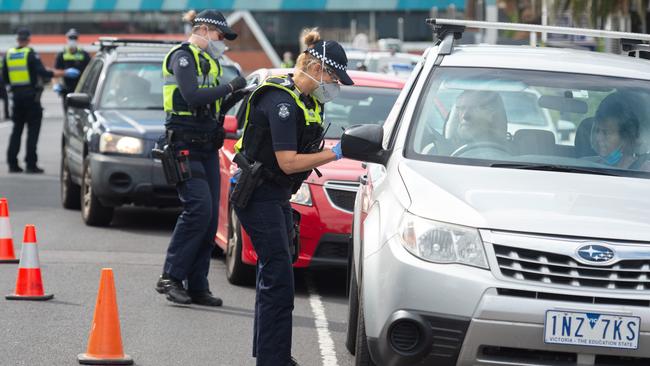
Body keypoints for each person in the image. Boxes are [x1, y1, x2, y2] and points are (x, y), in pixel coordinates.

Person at [232, 28, 352, 366]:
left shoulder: (306, 100)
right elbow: (287, 162)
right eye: (333, 77)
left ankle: (272, 355)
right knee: (279, 280)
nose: (335, 86)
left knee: (275, 275)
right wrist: (338, 153)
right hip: (259, 195)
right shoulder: (280, 101)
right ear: (315, 69)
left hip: (275, 195)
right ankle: (273, 359)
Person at [154, 9, 247, 306]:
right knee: (197, 209)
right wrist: (232, 85)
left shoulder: (212, 61)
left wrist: (242, 92)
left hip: (207, 146)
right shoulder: (183, 56)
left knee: (208, 220)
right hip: (184, 143)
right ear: (204, 30)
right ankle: (171, 277)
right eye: (221, 36)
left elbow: (214, 104)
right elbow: (192, 96)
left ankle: (197, 284)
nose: (223, 42)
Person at [4, 27, 73, 173]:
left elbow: (4, 77)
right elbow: (42, 72)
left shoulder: (8, 55)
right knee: (32, 132)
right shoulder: (30, 53)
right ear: (28, 39)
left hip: (16, 97)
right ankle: (30, 164)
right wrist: (62, 73)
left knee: (16, 131)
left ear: (17, 39)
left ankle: (12, 163)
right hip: (31, 98)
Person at [590, 93, 645, 169]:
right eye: (597, 130)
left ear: (626, 137)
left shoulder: (643, 171)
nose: (598, 138)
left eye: (606, 133)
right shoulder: (585, 164)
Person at [54, 28, 90, 110]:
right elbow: (55, 72)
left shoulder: (84, 54)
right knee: (68, 112)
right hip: (67, 89)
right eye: (70, 38)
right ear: (67, 39)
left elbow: (90, 71)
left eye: (74, 38)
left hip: (81, 89)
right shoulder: (61, 54)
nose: (72, 40)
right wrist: (56, 84)